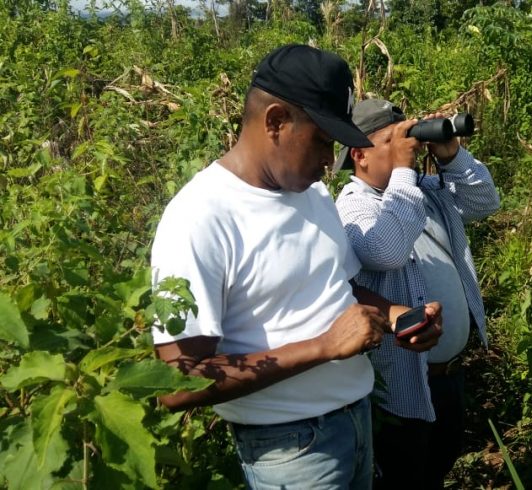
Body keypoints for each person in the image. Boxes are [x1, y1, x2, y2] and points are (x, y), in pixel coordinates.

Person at [150, 45, 441, 490]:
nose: (330, 161)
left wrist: (398, 316)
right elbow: (175, 382)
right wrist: (322, 347)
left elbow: (340, 289)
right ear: (276, 121)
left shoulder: (312, 196)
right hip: (291, 450)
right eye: (323, 140)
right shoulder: (199, 217)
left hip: (357, 420)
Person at [333, 99, 501, 489]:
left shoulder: (425, 191)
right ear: (359, 155)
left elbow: (485, 202)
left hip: (449, 374)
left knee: (436, 471)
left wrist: (450, 154)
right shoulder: (352, 207)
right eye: (393, 139)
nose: (407, 146)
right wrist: (405, 172)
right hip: (401, 384)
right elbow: (385, 251)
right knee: (404, 477)